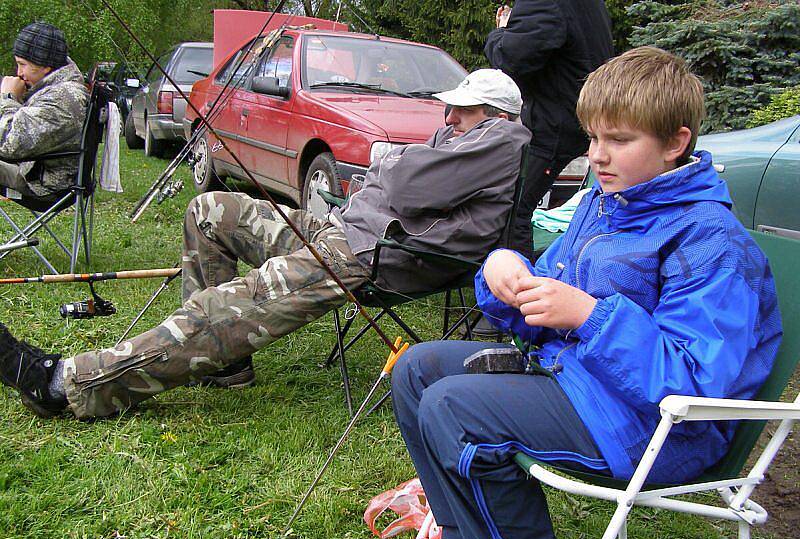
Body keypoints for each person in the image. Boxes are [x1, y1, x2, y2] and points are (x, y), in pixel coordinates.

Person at [391, 47, 782, 539]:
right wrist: (505, 276)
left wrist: (591, 317)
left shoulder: (710, 241)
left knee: (456, 409)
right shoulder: (605, 203)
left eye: (619, 141)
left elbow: (697, 380)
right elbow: (545, 299)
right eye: (594, 137)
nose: (597, 156)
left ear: (676, 142)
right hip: (577, 377)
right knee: (417, 370)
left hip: (658, 429)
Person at [0, 68, 531, 420]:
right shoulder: (463, 136)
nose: (450, 117)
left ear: (498, 114)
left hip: (372, 257)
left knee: (224, 308)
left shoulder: (501, 139)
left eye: (465, 109)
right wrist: (391, 170)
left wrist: (390, 166)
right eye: (453, 108)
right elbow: (395, 179)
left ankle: (70, 385)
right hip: (344, 231)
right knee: (211, 210)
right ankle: (227, 363)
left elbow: (405, 182)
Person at [484, 0, 613, 260]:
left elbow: (510, 59)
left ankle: (518, 293)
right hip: (581, 114)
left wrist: (501, 32)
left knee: (512, 208)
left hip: (555, 123)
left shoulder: (544, 2)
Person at [0, 22, 88, 210]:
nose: (18, 73)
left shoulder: (63, 98)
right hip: (36, 171)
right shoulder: (57, 90)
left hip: (42, 186)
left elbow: (8, 144)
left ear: (46, 66)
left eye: (22, 65)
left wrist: (8, 97)